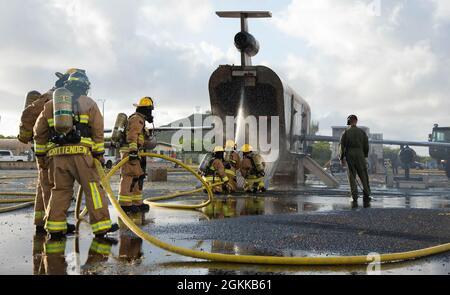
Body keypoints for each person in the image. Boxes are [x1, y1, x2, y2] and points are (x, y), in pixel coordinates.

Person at [34, 70, 118, 239]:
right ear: (85, 86)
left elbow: (39, 132)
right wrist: (99, 155)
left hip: (57, 157)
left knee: (60, 191)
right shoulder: (89, 104)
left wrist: (41, 157)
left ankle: (55, 228)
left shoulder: (51, 105)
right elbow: (98, 131)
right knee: (93, 189)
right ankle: (101, 227)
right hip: (81, 156)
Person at [18, 69, 80, 233]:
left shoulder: (63, 98)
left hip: (45, 148)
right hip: (46, 149)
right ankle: (53, 222)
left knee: (43, 185)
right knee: (51, 185)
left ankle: (41, 221)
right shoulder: (52, 96)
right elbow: (29, 114)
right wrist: (26, 135)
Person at [118, 97, 154, 214]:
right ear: (145, 110)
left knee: (137, 177)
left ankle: (136, 203)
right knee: (128, 176)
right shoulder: (136, 119)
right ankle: (125, 205)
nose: (151, 113)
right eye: (150, 110)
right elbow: (132, 134)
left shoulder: (141, 120)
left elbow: (140, 138)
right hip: (130, 152)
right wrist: (133, 150)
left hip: (136, 152)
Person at [340, 115, 371, 203]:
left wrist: (342, 158)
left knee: (352, 176)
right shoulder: (362, 132)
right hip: (360, 154)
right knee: (363, 174)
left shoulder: (345, 132)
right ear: (356, 121)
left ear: (349, 122)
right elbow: (366, 145)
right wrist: (364, 156)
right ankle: (367, 193)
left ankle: (354, 196)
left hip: (350, 154)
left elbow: (342, 146)